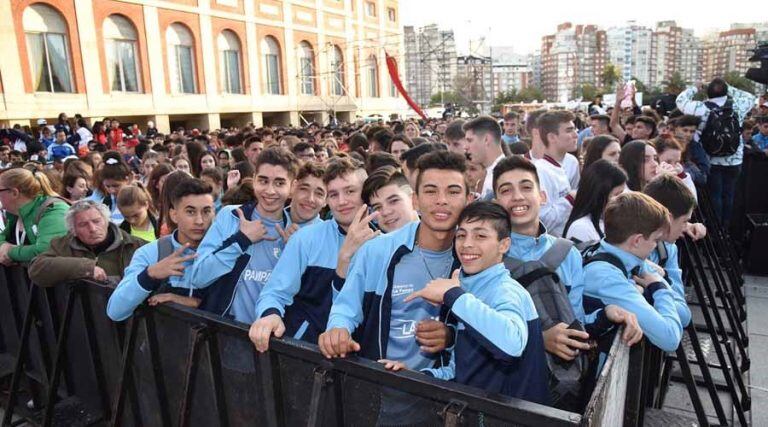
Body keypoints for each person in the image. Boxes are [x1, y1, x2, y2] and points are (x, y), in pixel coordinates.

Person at [319, 151, 466, 421]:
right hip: (382, 396)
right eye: (431, 191)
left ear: (468, 199)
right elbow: (346, 307)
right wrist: (337, 329)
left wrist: (451, 336)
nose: (441, 200)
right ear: (417, 200)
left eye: (453, 191)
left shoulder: (476, 257)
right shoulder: (378, 250)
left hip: (448, 400)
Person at [383, 201, 549, 405]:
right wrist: (415, 376)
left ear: (504, 245)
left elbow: (511, 345)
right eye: (461, 235)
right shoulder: (468, 291)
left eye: (480, 236)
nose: (467, 243)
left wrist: (452, 294)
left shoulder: (505, 291)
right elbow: (458, 372)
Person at [492, 156, 641, 367]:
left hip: (557, 380)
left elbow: (576, 320)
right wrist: (539, 339)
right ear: (497, 203)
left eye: (526, 187)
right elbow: (479, 324)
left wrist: (607, 314)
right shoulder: (487, 253)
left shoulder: (567, 253)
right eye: (506, 190)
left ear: (542, 196)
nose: (517, 197)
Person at [249, 157, 375, 350]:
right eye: (333, 194)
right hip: (307, 354)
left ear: (364, 193)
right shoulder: (305, 239)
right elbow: (275, 292)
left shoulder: (386, 242)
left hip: (365, 359)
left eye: (350, 191)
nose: (342, 201)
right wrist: (270, 314)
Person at [189, 147, 299, 324]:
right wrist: (240, 240)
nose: (270, 191)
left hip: (273, 341)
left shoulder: (295, 234)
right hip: (226, 336)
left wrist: (293, 251)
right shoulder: (230, 217)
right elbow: (199, 277)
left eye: (279, 183)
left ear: (292, 187)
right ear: (254, 179)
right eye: (263, 181)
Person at [583, 192, 682, 353]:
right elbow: (670, 337)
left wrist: (650, 290)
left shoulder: (627, 257)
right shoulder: (607, 277)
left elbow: (683, 315)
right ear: (637, 240)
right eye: (656, 240)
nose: (655, 247)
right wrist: (658, 287)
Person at [106, 178, 215, 321]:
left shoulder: (226, 253)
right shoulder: (152, 253)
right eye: (190, 212)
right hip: (163, 341)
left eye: (206, 211)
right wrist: (149, 275)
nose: (200, 221)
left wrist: (192, 302)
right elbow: (115, 311)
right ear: (174, 215)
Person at [676, 79, 756, 224]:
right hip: (735, 159)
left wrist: (696, 87)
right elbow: (751, 97)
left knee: (715, 195)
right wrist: (729, 87)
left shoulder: (701, 108)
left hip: (711, 159)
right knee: (729, 194)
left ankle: (716, 228)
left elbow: (680, 100)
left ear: (708, 92)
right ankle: (726, 228)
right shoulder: (738, 105)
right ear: (726, 90)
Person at [29, 199, 145, 287]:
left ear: (107, 221)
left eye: (96, 221)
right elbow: (36, 269)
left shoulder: (136, 246)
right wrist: (86, 268)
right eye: (83, 224)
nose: (93, 229)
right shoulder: (63, 244)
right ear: (73, 230)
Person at [644, 175, 696, 327]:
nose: (686, 227)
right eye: (684, 221)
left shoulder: (668, 248)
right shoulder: (630, 247)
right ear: (668, 218)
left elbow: (684, 314)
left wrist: (659, 282)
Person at [0, 168, 69, 265]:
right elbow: (2, 238)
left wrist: (10, 251)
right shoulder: (14, 213)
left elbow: (46, 250)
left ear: (14, 193)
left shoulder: (54, 210)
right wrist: (3, 246)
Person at [534, 111, 578, 236]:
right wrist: (570, 199)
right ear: (552, 137)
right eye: (569, 130)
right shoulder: (540, 171)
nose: (575, 135)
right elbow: (542, 221)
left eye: (575, 129)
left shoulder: (571, 162)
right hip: (554, 249)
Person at [564, 160, 628, 243]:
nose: (622, 199)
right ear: (599, 195)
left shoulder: (612, 221)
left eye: (622, 193)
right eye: (616, 194)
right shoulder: (581, 228)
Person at [361, 166, 418, 233]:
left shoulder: (432, 238)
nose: (386, 212)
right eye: (378, 207)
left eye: (393, 201)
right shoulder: (371, 243)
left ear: (413, 199)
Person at [463, 115, 505, 200]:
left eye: (470, 140)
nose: (465, 147)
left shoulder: (505, 174)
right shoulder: (490, 173)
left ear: (486, 139)